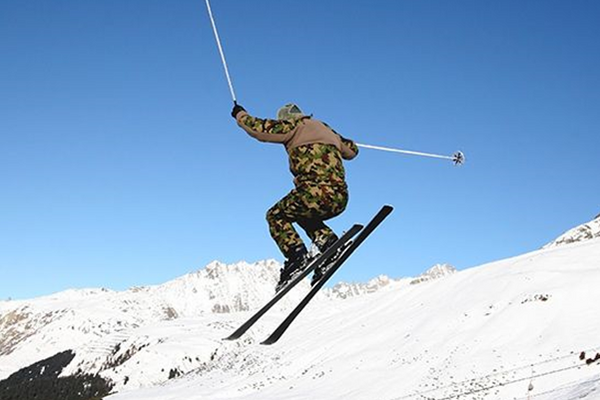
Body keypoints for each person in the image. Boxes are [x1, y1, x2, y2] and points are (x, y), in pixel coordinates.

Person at [231, 102, 359, 291]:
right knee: (302, 213)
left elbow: (258, 129)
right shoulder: (326, 129)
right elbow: (352, 150)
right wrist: (334, 140)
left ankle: (296, 258)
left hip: (313, 193)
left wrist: (240, 115)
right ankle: (329, 244)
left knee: (275, 215)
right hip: (340, 198)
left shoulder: (293, 126)